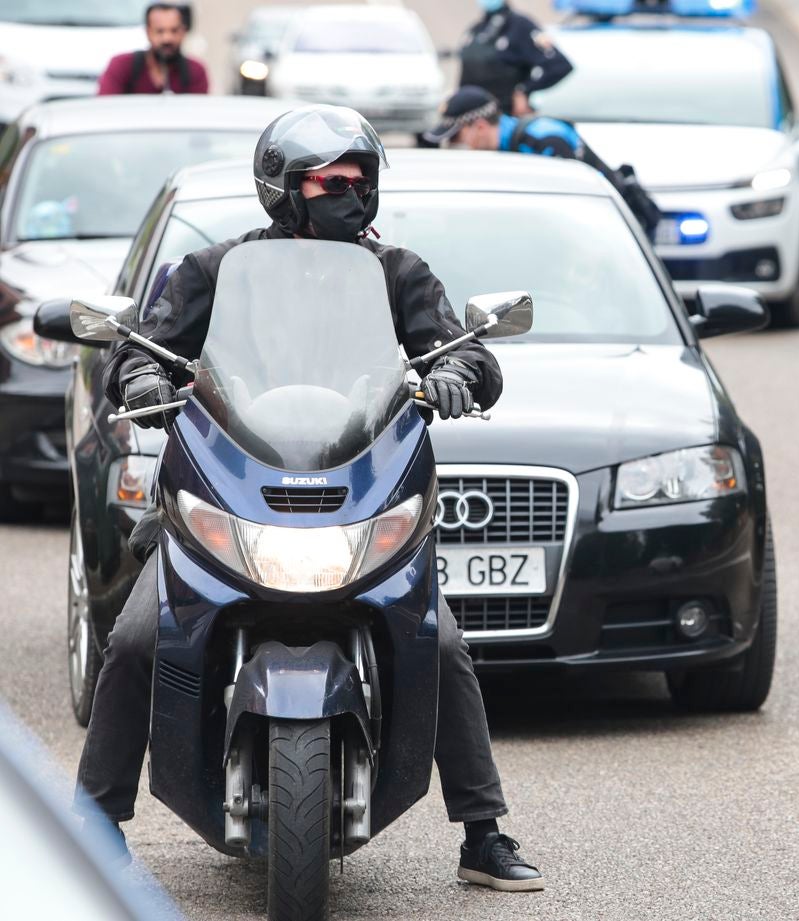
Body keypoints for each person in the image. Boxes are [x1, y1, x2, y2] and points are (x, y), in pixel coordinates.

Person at [76, 105, 545, 894]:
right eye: (336, 181)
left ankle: (482, 832)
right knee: (131, 639)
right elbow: (139, 346)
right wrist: (148, 378)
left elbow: (457, 353)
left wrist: (462, 376)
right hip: (234, 485)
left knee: (442, 643)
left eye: (363, 181)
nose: (353, 194)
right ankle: (92, 827)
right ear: (284, 188)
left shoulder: (396, 271)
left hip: (354, 491)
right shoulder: (215, 271)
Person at [424, 86, 662, 235]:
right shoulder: (506, 146)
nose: (455, 144)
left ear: (480, 127)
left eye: (456, 136)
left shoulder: (543, 139)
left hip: (612, 229)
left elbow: (569, 211)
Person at [459, 0, 573, 116]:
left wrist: (523, 91)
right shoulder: (474, 31)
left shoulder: (520, 26)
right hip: (472, 116)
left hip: (506, 114)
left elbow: (559, 65)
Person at [97, 3, 208, 96]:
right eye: (160, 31)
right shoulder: (121, 66)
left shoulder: (195, 71)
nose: (167, 38)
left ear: (183, 32)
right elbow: (105, 109)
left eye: (174, 31)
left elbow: (199, 114)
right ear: (148, 32)